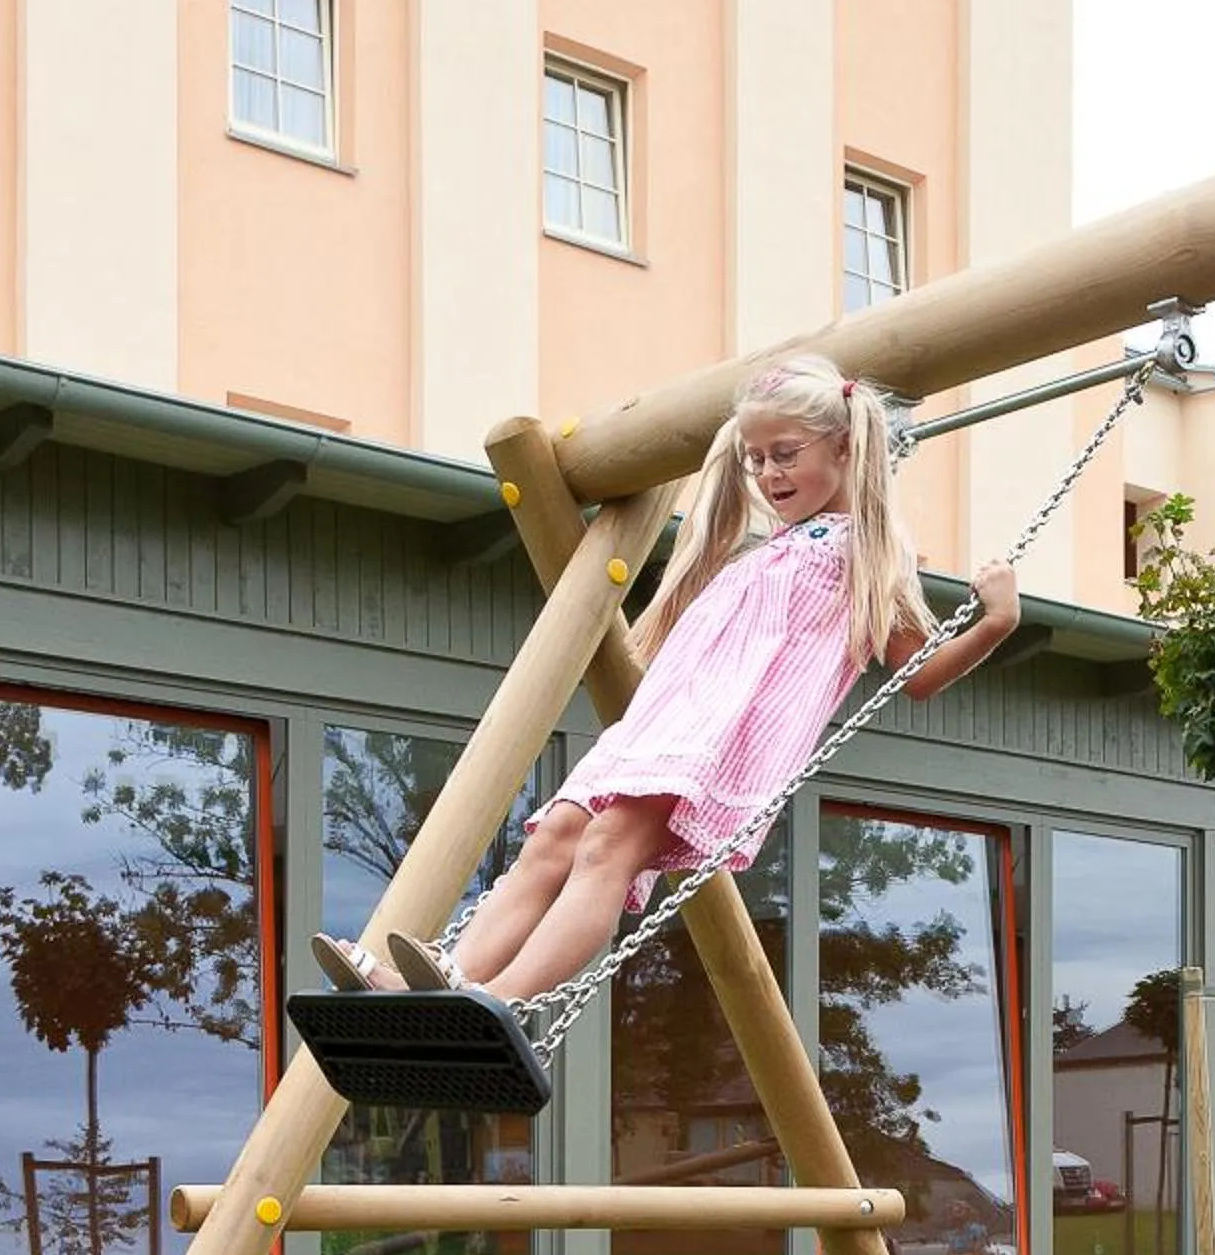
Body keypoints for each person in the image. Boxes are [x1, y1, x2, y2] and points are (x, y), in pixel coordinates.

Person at [312, 355, 1022, 1002]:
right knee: (554, 836)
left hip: (722, 741)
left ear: (843, 447)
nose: (771, 476)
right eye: (757, 460)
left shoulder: (868, 550)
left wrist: (992, 622)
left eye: (786, 455)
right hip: (663, 723)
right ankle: (435, 986)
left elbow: (916, 674)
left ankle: (497, 999)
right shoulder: (768, 550)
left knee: (606, 846)